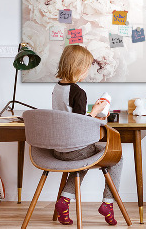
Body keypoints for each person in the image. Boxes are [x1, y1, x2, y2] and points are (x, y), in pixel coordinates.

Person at [52, 45, 122, 226]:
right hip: (75, 149)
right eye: (87, 67)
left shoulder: (57, 88)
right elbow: (80, 124)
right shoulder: (78, 92)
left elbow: (69, 117)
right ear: (78, 67)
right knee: (117, 157)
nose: (88, 72)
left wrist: (92, 112)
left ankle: (64, 201)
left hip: (58, 149)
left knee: (82, 160)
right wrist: (97, 111)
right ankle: (108, 203)